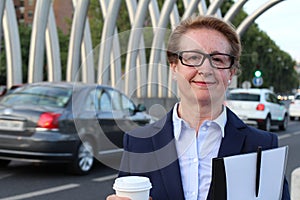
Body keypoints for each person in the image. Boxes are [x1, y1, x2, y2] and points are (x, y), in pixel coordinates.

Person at [107, 15, 290, 200]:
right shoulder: (140, 143)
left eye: (218, 59)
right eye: (193, 57)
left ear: (231, 73)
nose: (205, 69)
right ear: (174, 67)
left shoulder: (263, 146)